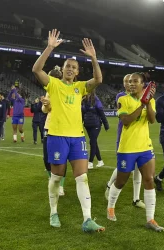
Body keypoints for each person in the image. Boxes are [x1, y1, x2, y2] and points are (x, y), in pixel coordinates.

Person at [32, 29, 104, 232]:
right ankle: (53, 212)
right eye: (68, 66)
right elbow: (37, 70)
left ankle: (87, 219)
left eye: (74, 67)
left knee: (82, 177)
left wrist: (94, 58)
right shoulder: (53, 84)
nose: (70, 69)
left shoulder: (80, 87)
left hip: (77, 138)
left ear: (78, 71)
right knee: (56, 177)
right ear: (62, 69)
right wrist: (50, 48)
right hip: (57, 136)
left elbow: (98, 80)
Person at [107, 72, 164, 232]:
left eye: (135, 81)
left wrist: (147, 104)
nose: (131, 84)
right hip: (127, 148)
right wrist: (141, 105)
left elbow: (152, 120)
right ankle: (110, 207)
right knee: (120, 182)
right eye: (130, 82)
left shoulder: (149, 100)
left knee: (149, 180)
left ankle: (150, 219)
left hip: (145, 146)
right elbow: (126, 121)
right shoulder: (122, 99)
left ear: (142, 84)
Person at [105, 74, 145, 209]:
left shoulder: (139, 96)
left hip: (139, 138)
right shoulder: (120, 97)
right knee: (122, 166)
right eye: (126, 81)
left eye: (131, 81)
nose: (128, 84)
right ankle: (109, 185)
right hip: (124, 135)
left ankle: (136, 198)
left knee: (138, 169)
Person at [41, 66, 66, 196]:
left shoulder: (64, 89)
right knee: (46, 157)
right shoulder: (49, 91)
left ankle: (60, 185)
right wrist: (46, 104)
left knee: (62, 158)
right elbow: (45, 110)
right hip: (49, 125)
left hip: (62, 126)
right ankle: (52, 178)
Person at [82, 89, 109, 169]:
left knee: (92, 142)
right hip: (87, 125)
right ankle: (100, 161)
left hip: (96, 124)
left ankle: (90, 162)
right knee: (94, 143)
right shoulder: (83, 100)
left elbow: (101, 113)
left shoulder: (96, 100)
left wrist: (106, 124)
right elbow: (82, 114)